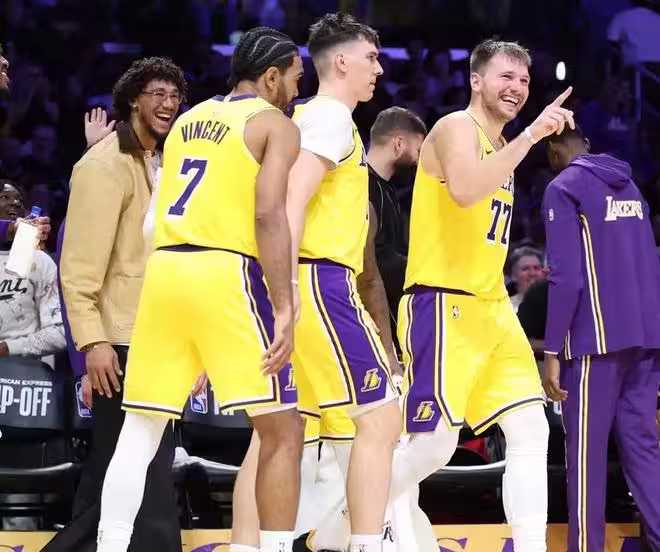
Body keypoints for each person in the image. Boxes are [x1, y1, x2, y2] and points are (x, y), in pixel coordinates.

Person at [95, 28, 305, 552]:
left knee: (140, 429)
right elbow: (269, 215)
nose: (297, 91)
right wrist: (284, 305)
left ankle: (109, 546)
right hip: (224, 269)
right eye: (295, 79)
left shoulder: (187, 122)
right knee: (283, 429)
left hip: (165, 270)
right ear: (272, 77)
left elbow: (152, 221)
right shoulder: (274, 124)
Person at [375, 39, 576, 552]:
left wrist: (523, 140)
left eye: (524, 80)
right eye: (506, 76)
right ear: (476, 80)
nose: (517, 88)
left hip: (492, 308)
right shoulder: (455, 128)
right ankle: (346, 520)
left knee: (531, 429)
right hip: (444, 303)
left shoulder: (504, 144)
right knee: (433, 447)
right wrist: (532, 135)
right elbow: (465, 190)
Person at [45, 57, 187, 552]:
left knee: (117, 467)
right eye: (158, 94)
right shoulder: (103, 165)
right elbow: (78, 269)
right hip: (119, 341)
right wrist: (93, 343)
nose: (168, 104)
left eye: (175, 96)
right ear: (131, 100)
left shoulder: (161, 162)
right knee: (145, 470)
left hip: (154, 335)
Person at [284, 13, 401, 552]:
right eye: (371, 58)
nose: (379, 68)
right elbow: (290, 200)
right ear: (340, 62)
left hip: (309, 279)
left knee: (281, 435)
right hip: (318, 280)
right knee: (382, 416)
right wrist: (285, 288)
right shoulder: (329, 116)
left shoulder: (310, 115)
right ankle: (364, 544)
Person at [542, 125, 660, 552]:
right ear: (587, 145)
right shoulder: (632, 187)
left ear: (554, 150)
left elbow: (566, 277)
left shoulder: (563, 187)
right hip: (646, 337)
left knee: (586, 457)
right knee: (644, 449)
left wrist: (552, 349)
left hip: (596, 340)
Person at [366, 106, 426, 332]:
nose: (419, 161)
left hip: (391, 306)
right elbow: (379, 258)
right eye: (418, 150)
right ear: (399, 143)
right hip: (370, 312)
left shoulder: (388, 190)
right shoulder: (361, 186)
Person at [507, 246, 546, 312]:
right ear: (513, 275)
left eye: (536, 268)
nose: (532, 273)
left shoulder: (553, 304)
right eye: (525, 269)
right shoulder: (505, 307)